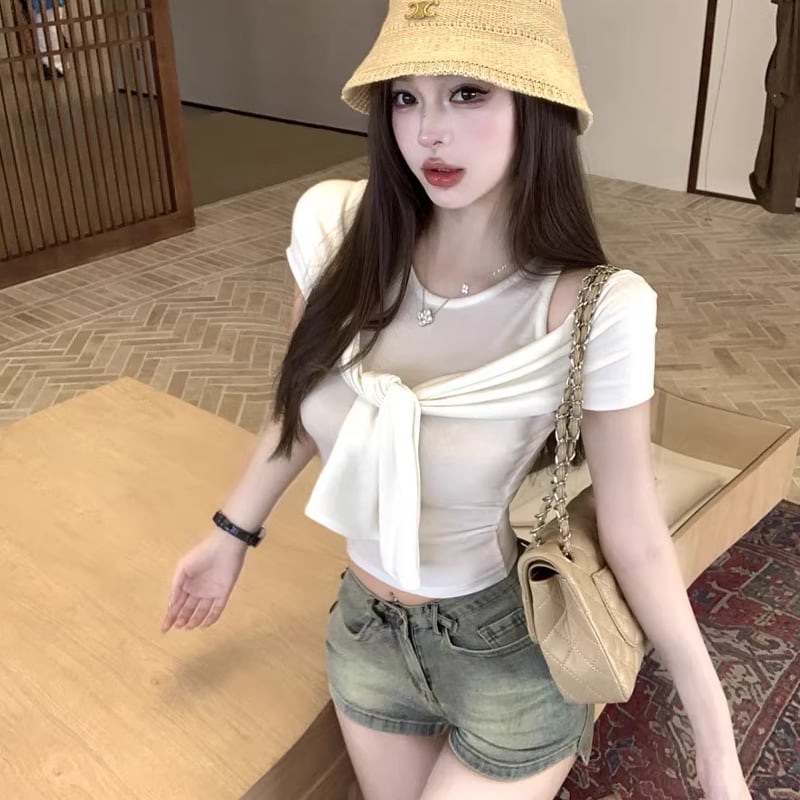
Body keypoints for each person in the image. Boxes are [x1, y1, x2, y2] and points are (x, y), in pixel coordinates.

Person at [162, 2, 752, 798]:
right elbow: (296, 405)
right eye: (406, 97)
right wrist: (230, 533)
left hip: (502, 652)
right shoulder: (335, 229)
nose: (428, 132)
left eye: (468, 92)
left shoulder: (595, 307)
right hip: (365, 637)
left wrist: (715, 746)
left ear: (536, 107)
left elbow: (635, 532)